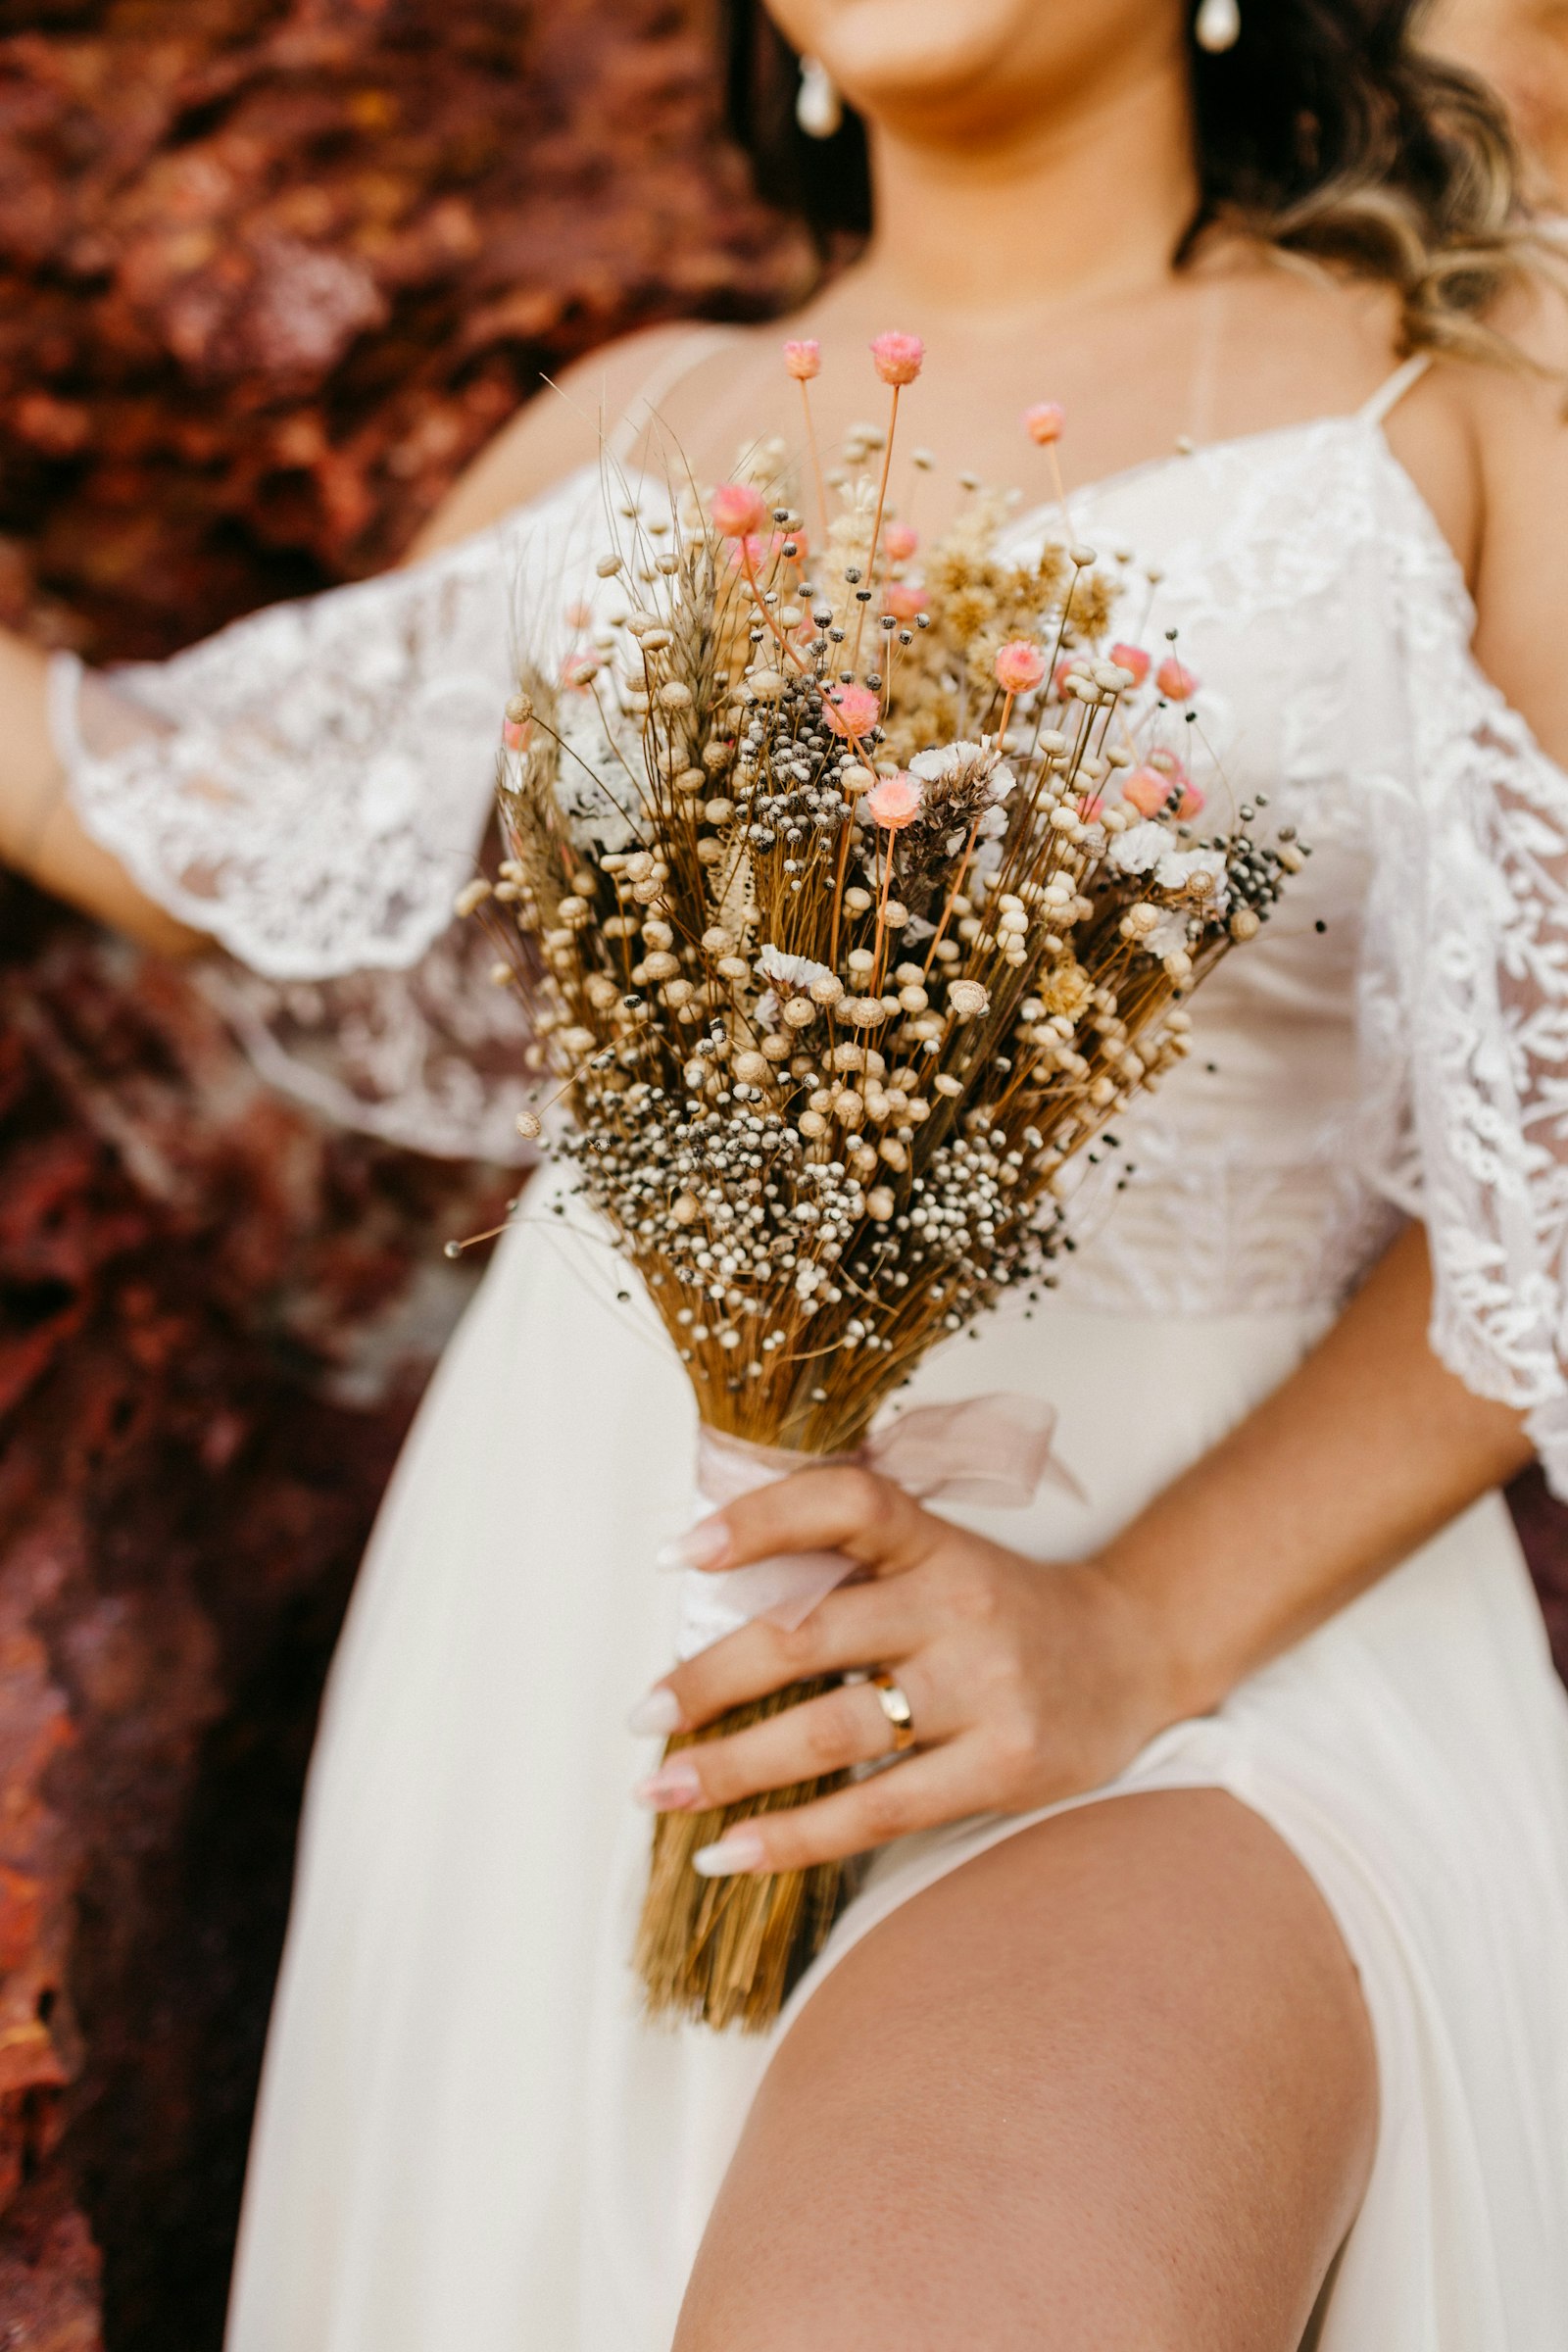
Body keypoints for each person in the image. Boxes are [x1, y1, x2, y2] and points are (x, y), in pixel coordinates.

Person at [5, 1, 1568, 2342]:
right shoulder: (628, 423)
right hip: (573, 1653)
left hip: (1239, 1636)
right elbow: (195, 816)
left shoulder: (1450, 410)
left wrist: (1133, 1628)